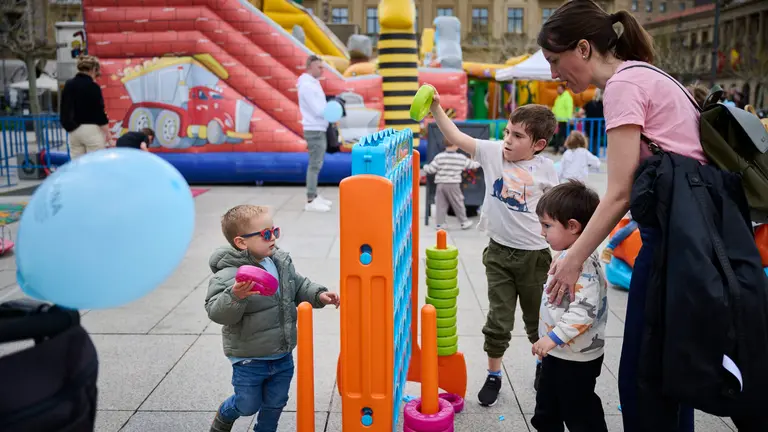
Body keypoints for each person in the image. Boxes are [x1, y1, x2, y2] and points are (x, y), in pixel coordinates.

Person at [536, 2, 708, 431]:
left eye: (556, 61)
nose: (555, 74)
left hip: (673, 247)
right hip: (690, 242)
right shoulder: (645, 74)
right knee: (667, 377)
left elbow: (620, 192)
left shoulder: (622, 85)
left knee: (642, 383)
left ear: (583, 48)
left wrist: (574, 256)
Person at [427, 95, 559, 407]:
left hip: (535, 257)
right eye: (507, 133)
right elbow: (456, 136)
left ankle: (544, 365)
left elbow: (555, 210)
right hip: (499, 254)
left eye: (517, 136)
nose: (508, 141)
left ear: (538, 144)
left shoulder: (546, 168)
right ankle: (494, 374)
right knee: (498, 320)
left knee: (536, 320)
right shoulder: (492, 154)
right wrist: (435, 109)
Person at [205, 205, 340, 432]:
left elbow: (297, 285)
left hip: (282, 352)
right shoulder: (229, 275)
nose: (273, 238)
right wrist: (235, 296)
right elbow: (217, 312)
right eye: (266, 234)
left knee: (276, 403)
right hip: (249, 357)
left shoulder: (279, 261)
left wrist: (318, 294)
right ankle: (225, 415)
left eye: (274, 231)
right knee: (248, 404)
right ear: (241, 242)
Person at [532, 180, 608, 432]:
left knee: (579, 410)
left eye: (547, 225)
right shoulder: (569, 254)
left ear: (573, 227)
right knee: (547, 405)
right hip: (558, 352)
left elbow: (584, 312)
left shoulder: (582, 264)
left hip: (575, 358)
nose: (542, 232)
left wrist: (552, 338)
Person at [297, 55, 333, 212]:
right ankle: (311, 199)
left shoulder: (313, 83)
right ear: (310, 67)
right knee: (315, 164)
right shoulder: (307, 86)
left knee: (317, 163)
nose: (322, 70)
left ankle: (314, 195)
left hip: (318, 127)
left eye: (322, 67)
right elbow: (318, 109)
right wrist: (332, 111)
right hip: (314, 128)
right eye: (319, 67)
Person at [421, 137, 481, 230]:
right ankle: (464, 222)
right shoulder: (460, 158)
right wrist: (479, 160)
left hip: (440, 184)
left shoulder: (439, 157)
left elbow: (431, 169)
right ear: (456, 145)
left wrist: (425, 167)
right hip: (453, 184)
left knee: (440, 204)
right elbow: (473, 165)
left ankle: (439, 224)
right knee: (458, 202)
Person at [60, 55, 111, 159]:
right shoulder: (93, 87)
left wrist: (70, 127)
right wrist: (108, 134)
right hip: (91, 130)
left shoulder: (69, 84)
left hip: (73, 131)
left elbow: (64, 107)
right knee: (95, 164)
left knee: (77, 165)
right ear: (93, 69)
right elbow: (99, 113)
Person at [552, 84, 574, 153]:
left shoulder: (567, 97)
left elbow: (569, 108)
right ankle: (561, 149)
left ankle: (560, 149)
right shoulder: (559, 97)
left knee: (563, 135)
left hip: (565, 120)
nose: (558, 90)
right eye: (557, 89)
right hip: (559, 120)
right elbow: (555, 108)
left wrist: (569, 119)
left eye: (559, 89)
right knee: (561, 135)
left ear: (563, 89)